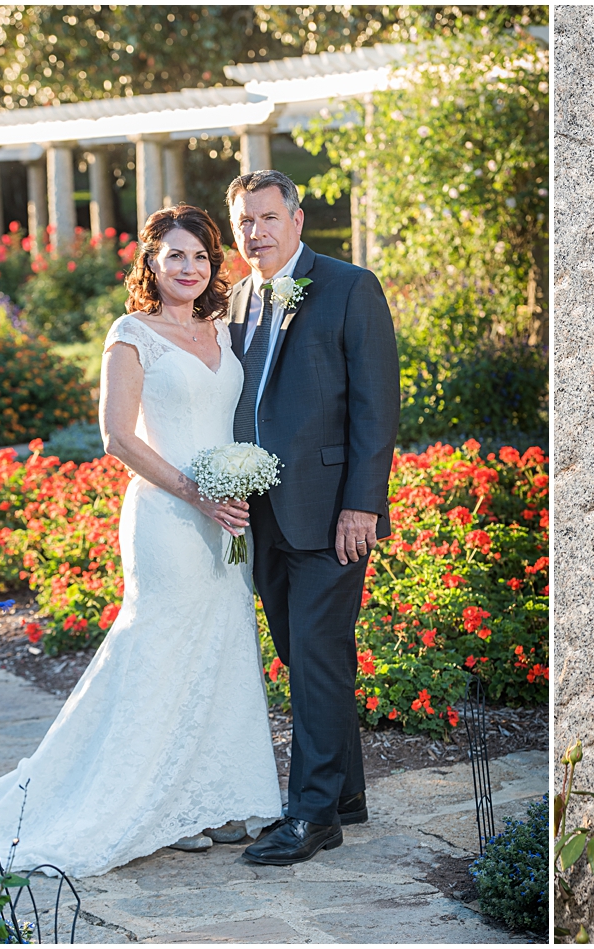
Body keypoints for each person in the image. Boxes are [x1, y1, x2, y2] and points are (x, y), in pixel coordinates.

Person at [0, 205, 281, 876]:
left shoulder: (222, 330)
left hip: (225, 517)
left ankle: (207, 798)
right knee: (159, 648)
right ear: (150, 262)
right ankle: (147, 804)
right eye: (175, 255)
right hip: (168, 517)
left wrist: (237, 487)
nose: (189, 267)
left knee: (222, 644)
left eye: (200, 256)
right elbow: (119, 437)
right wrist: (195, 491)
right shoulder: (130, 333)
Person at [224, 170, 400, 866]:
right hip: (261, 513)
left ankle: (312, 814)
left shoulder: (350, 287)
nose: (256, 233)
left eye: (268, 218)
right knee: (306, 658)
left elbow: (376, 405)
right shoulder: (237, 297)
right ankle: (347, 792)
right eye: (244, 222)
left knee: (319, 655)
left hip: (330, 512)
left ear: (297, 220)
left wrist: (363, 502)